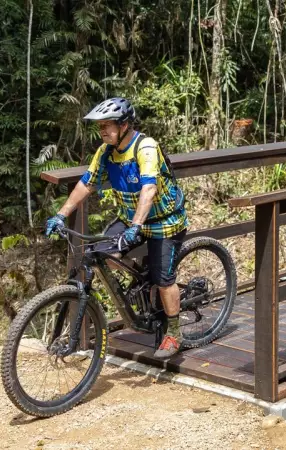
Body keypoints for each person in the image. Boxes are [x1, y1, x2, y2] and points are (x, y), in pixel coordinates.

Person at [44, 97, 188, 359]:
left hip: (164, 220)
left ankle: (174, 332)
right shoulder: (106, 152)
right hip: (130, 217)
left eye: (107, 126)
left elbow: (149, 188)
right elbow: (86, 184)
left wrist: (136, 226)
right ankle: (143, 288)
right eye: (100, 127)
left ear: (124, 125)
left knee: (164, 280)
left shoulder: (145, 147)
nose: (103, 132)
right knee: (105, 255)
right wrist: (61, 215)